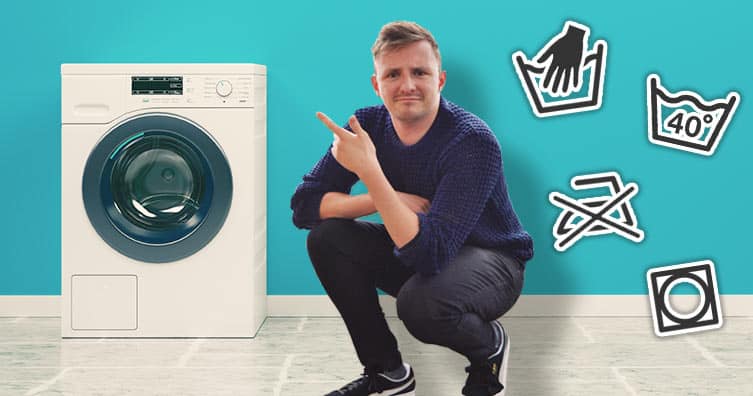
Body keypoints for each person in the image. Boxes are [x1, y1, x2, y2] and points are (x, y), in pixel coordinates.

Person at [290, 21, 533, 396]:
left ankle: (488, 349)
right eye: (393, 74)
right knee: (327, 238)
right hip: (419, 248)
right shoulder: (366, 125)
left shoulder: (472, 141)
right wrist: (380, 197)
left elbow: (429, 254)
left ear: (440, 80)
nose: (407, 85)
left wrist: (370, 172)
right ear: (377, 84)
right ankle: (387, 373)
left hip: (492, 261)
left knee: (420, 306)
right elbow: (305, 208)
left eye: (420, 72)